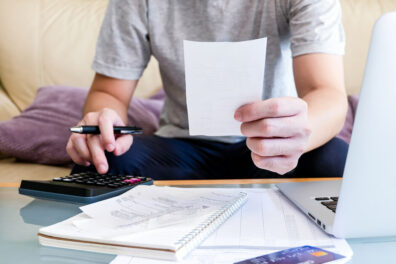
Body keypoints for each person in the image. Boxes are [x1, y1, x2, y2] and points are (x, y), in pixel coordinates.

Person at [67, 0, 349, 180]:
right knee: (99, 165)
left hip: (272, 146)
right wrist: (105, 125)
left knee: (335, 160)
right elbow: (110, 93)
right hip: (183, 147)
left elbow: (325, 92)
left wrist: (295, 134)